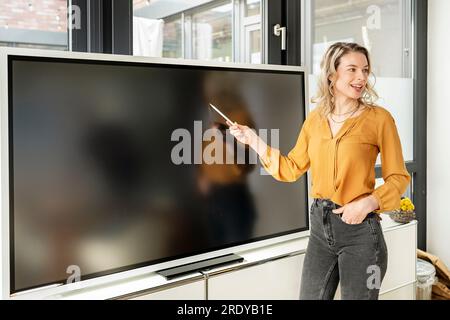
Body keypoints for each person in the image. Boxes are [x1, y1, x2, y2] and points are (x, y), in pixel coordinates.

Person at [227, 42, 411, 300]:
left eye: (365, 70)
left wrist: (368, 203)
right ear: (331, 75)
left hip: (361, 233)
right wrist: (253, 140)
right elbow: (291, 169)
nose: (361, 77)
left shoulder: (379, 119)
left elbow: (399, 177)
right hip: (320, 230)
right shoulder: (315, 120)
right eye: (352, 69)